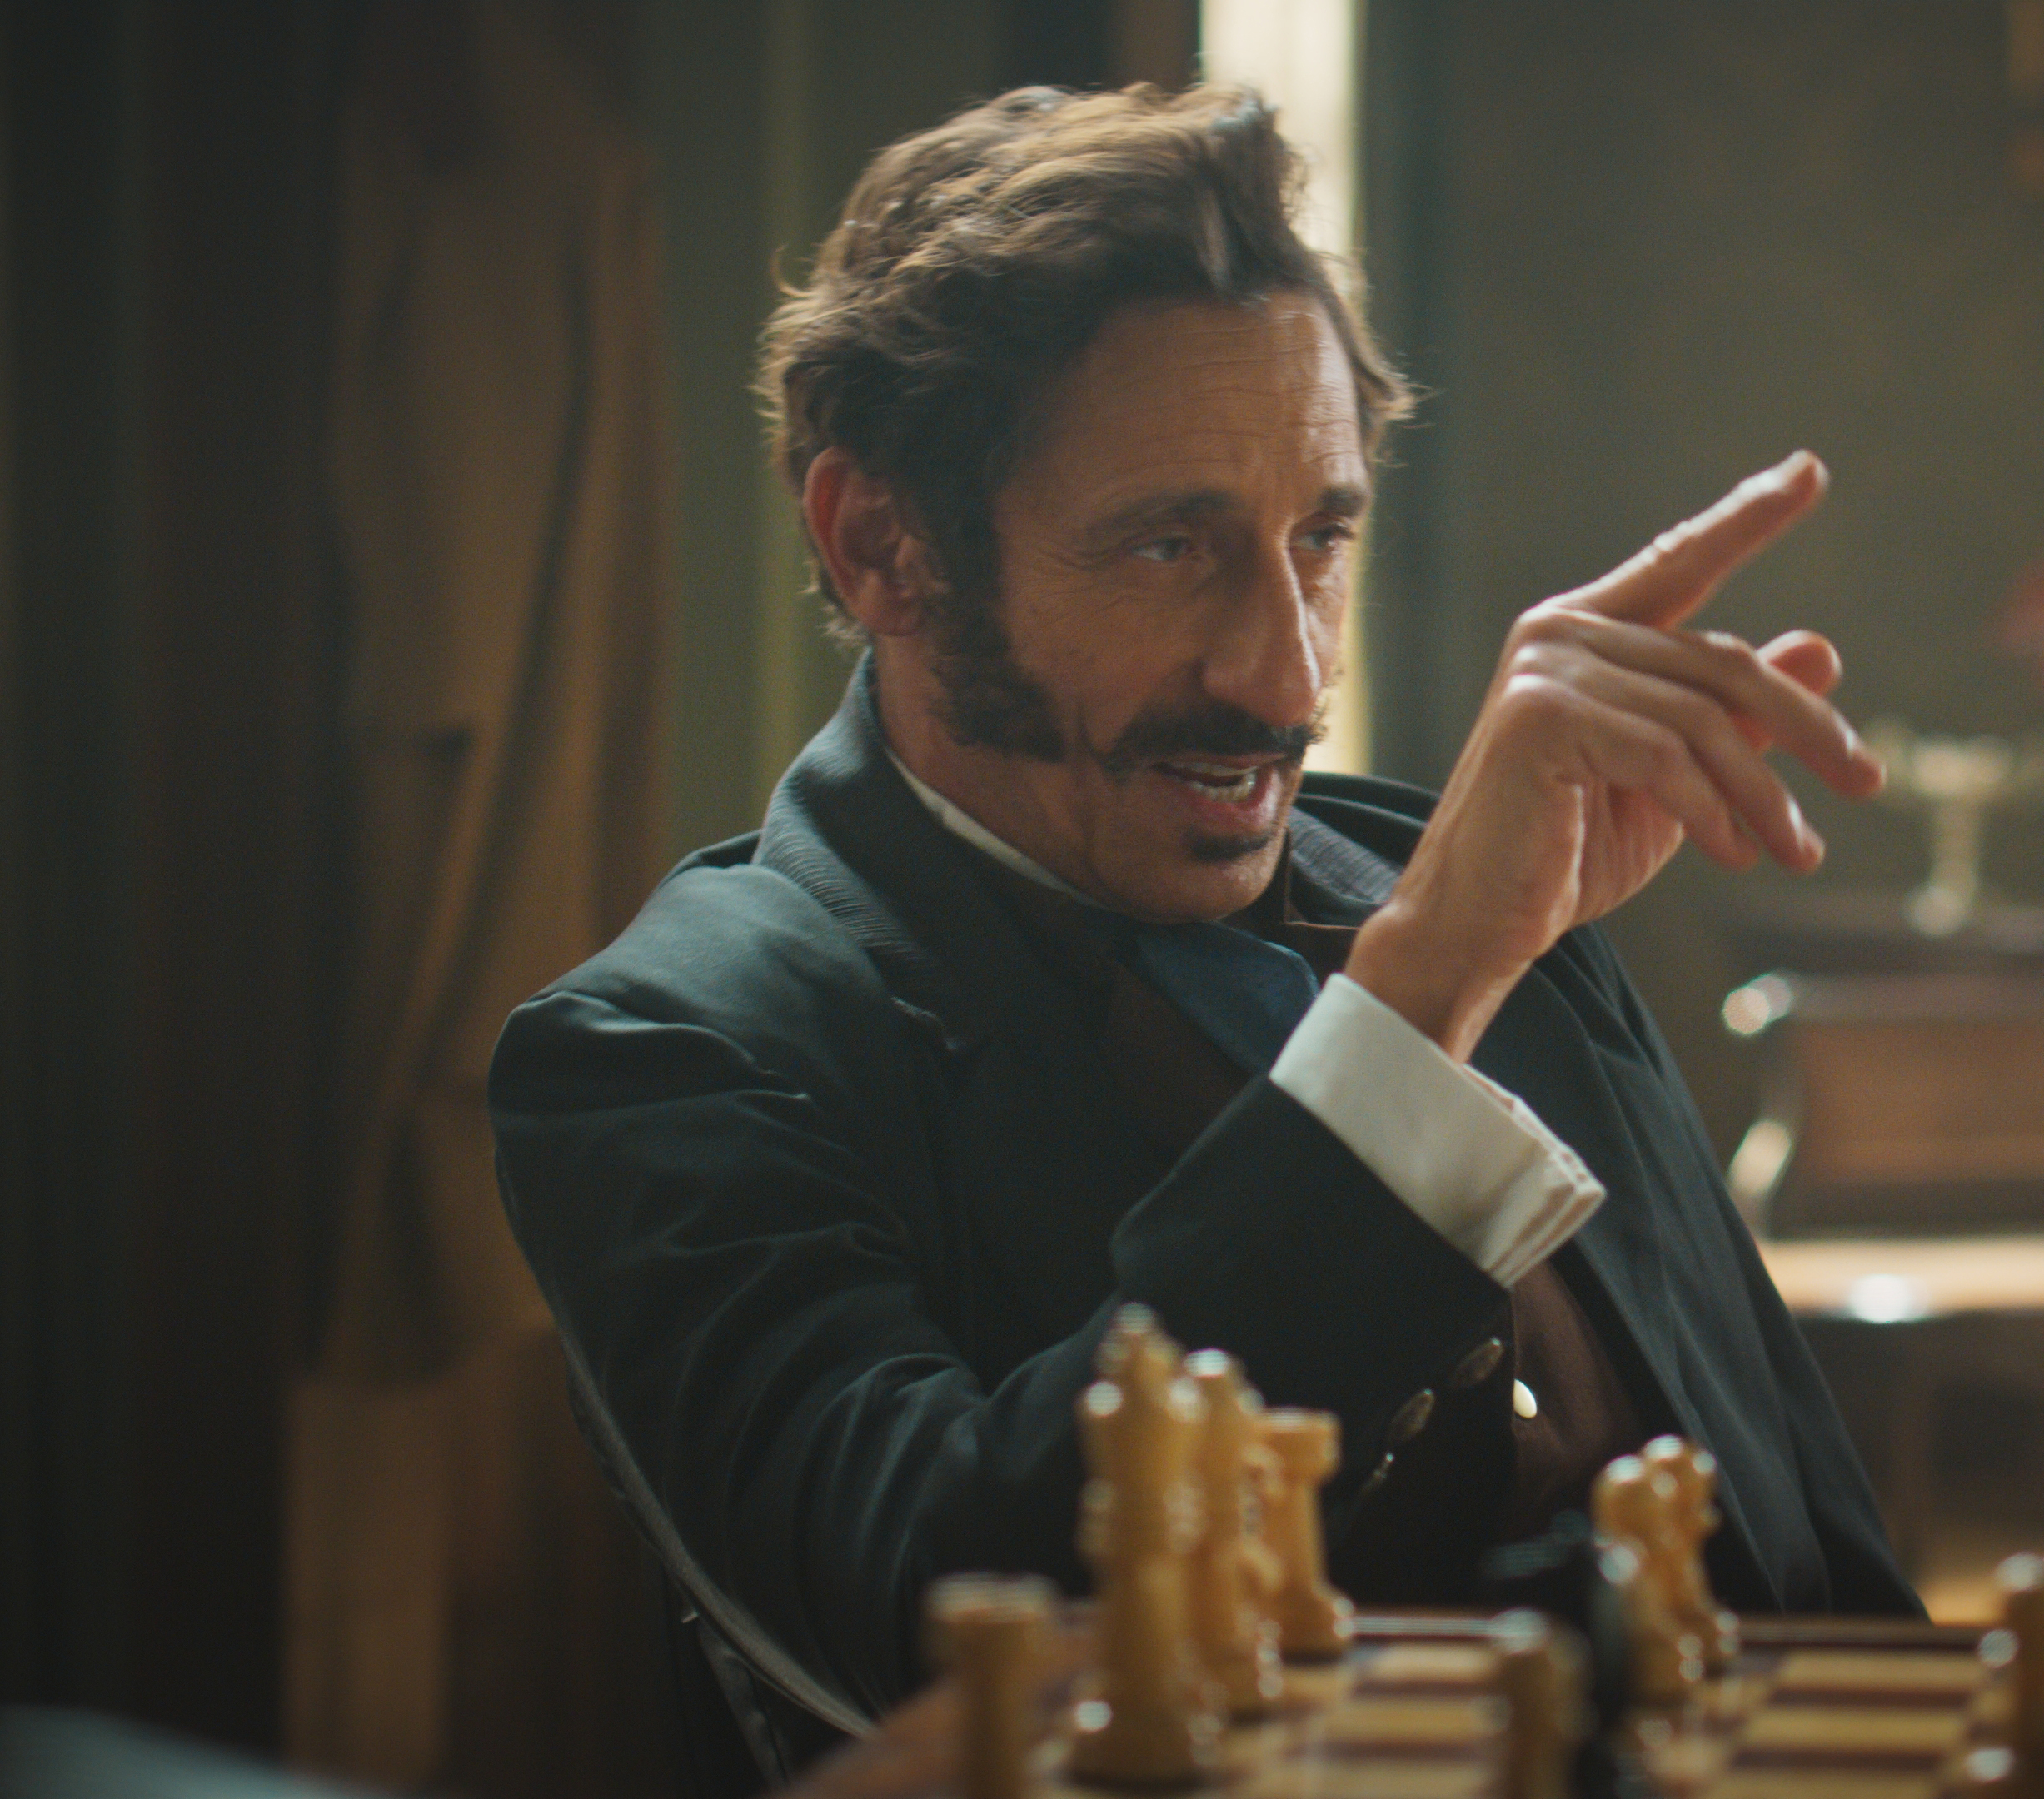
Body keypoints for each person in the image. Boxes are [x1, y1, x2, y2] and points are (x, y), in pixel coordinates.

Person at [489, 82, 1920, 1755]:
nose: (1285, 672)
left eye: (1320, 538)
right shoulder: (664, 1049)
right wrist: (1418, 1002)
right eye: (1170, 546)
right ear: (880, 544)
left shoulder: (1469, 898)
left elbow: (1816, 1565)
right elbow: (939, 1634)